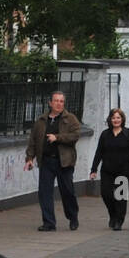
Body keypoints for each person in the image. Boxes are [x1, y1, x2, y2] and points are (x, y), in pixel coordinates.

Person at [25, 91, 82, 230]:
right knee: (44, 193)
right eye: (56, 101)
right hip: (46, 161)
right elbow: (33, 140)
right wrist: (29, 158)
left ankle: (73, 217)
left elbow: (75, 136)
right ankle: (49, 223)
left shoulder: (70, 119)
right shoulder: (41, 121)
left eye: (61, 101)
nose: (59, 103)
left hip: (64, 161)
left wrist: (58, 137)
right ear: (50, 103)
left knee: (67, 192)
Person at [90, 107, 129, 230]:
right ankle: (112, 215)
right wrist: (93, 170)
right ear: (110, 119)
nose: (116, 120)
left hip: (123, 171)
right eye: (113, 118)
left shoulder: (128, 133)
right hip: (107, 170)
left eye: (118, 117)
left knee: (120, 197)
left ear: (122, 119)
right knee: (106, 194)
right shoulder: (105, 134)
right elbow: (99, 153)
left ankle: (119, 220)